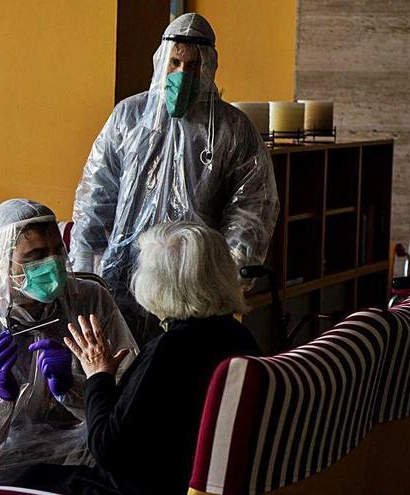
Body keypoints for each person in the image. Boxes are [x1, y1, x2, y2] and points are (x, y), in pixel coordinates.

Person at [70, 12, 279, 346]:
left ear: (209, 68)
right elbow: (96, 196)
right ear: (161, 62)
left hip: (192, 289)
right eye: (176, 63)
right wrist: (83, 271)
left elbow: (252, 212)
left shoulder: (232, 130)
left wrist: (223, 278)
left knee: (176, 375)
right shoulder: (129, 118)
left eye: (194, 66)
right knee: (124, 373)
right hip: (121, 280)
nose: (183, 74)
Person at [18, 222, 261, 494]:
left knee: (26, 479)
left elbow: (107, 449)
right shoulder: (239, 336)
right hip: (208, 479)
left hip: (149, 486)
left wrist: (98, 374)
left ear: (158, 285)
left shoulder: (170, 350)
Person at [0, 199, 139, 493]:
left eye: (57, 252)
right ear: (2, 258)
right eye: (36, 256)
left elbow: (127, 403)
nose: (52, 265)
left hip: (80, 453)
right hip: (0, 465)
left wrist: (77, 387)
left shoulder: (89, 300)